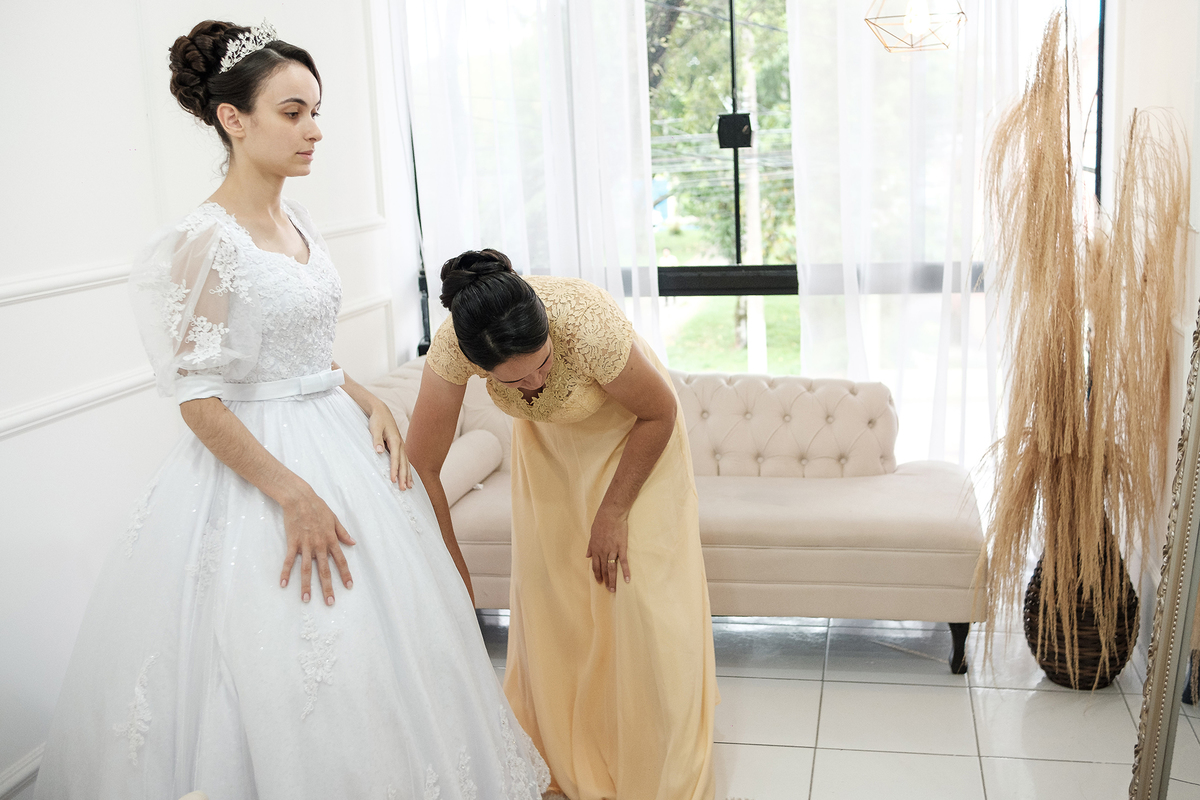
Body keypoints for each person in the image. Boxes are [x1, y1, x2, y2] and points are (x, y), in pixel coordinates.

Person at [35, 20, 548, 800]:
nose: (315, 130)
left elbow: (302, 352)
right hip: (264, 465)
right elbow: (198, 399)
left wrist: (366, 397)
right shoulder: (204, 243)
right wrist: (293, 494)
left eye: (316, 111)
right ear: (232, 119)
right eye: (293, 112)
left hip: (338, 438)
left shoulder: (299, 221)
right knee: (287, 654)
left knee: (386, 654)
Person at [407, 252, 718, 800]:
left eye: (543, 363)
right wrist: (451, 568)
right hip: (552, 451)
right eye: (513, 379)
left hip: (637, 439)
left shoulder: (587, 322)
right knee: (559, 600)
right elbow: (423, 465)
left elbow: (660, 412)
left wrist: (613, 512)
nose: (534, 382)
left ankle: (657, 761)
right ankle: (569, 752)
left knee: (639, 600)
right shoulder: (455, 345)